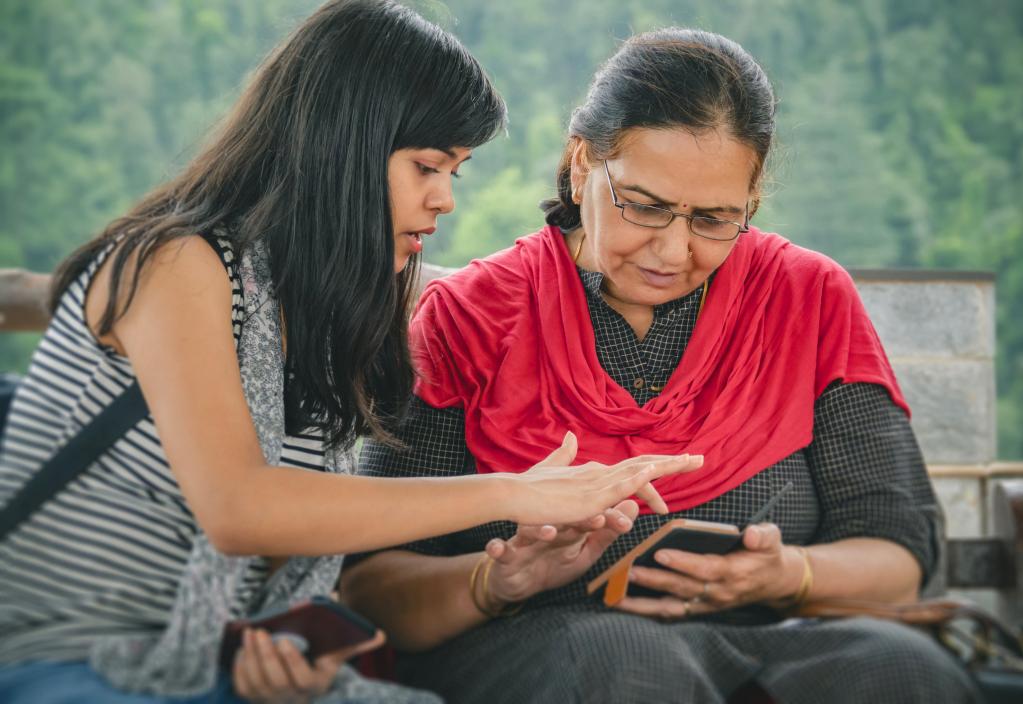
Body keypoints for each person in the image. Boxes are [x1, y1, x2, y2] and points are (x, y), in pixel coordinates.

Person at [0, 3, 701, 702]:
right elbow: (240, 507)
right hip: (60, 664)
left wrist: (278, 654)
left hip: (203, 666)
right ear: (339, 147)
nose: (445, 200)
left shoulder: (331, 298)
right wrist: (516, 492)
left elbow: (518, 295)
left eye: (455, 173)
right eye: (427, 166)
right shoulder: (174, 265)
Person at [340, 28, 982, 703]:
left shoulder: (807, 299)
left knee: (903, 669)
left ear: (751, 204)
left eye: (713, 219)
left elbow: (896, 558)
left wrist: (787, 574)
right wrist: (496, 581)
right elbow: (373, 585)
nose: (673, 252)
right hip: (546, 645)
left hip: (773, 638)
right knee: (624, 662)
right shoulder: (471, 317)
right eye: (644, 207)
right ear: (583, 164)